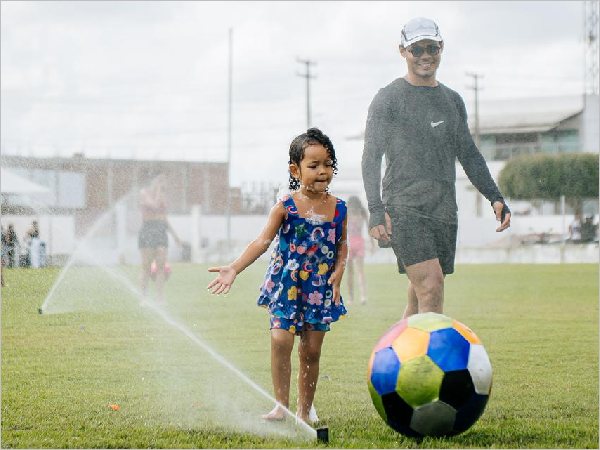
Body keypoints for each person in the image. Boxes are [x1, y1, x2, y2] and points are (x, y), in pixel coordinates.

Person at [362, 17, 511, 319]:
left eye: (432, 48)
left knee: (421, 294)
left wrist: (494, 196)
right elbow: (371, 157)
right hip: (404, 208)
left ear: (441, 47)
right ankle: (434, 352)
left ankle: (396, 348)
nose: (425, 55)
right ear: (403, 51)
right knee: (431, 286)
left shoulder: (452, 101)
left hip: (443, 209)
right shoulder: (388, 99)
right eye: (417, 49)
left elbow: (468, 154)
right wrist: (376, 210)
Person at [207, 128, 348, 424]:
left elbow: (342, 244)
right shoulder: (286, 206)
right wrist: (234, 268)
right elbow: (262, 242)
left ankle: (304, 409)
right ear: (296, 170)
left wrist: (339, 269)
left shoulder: (339, 208)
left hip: (319, 287)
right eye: (314, 165)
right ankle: (281, 406)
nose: (323, 171)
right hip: (287, 285)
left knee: (311, 351)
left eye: (328, 164)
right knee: (281, 341)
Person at [138, 171, 181, 304]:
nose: (163, 183)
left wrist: (175, 236)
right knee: (146, 267)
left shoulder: (162, 195)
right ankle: (143, 298)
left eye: (163, 180)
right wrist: (158, 191)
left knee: (160, 267)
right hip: (148, 229)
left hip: (161, 230)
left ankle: (160, 299)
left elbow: (163, 217)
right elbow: (154, 205)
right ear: (153, 180)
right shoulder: (144, 192)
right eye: (160, 180)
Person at [345, 195, 374, 305]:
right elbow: (369, 229)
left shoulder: (347, 214)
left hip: (349, 243)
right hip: (360, 243)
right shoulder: (362, 213)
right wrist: (372, 244)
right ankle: (363, 296)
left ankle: (350, 298)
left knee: (350, 273)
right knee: (360, 271)